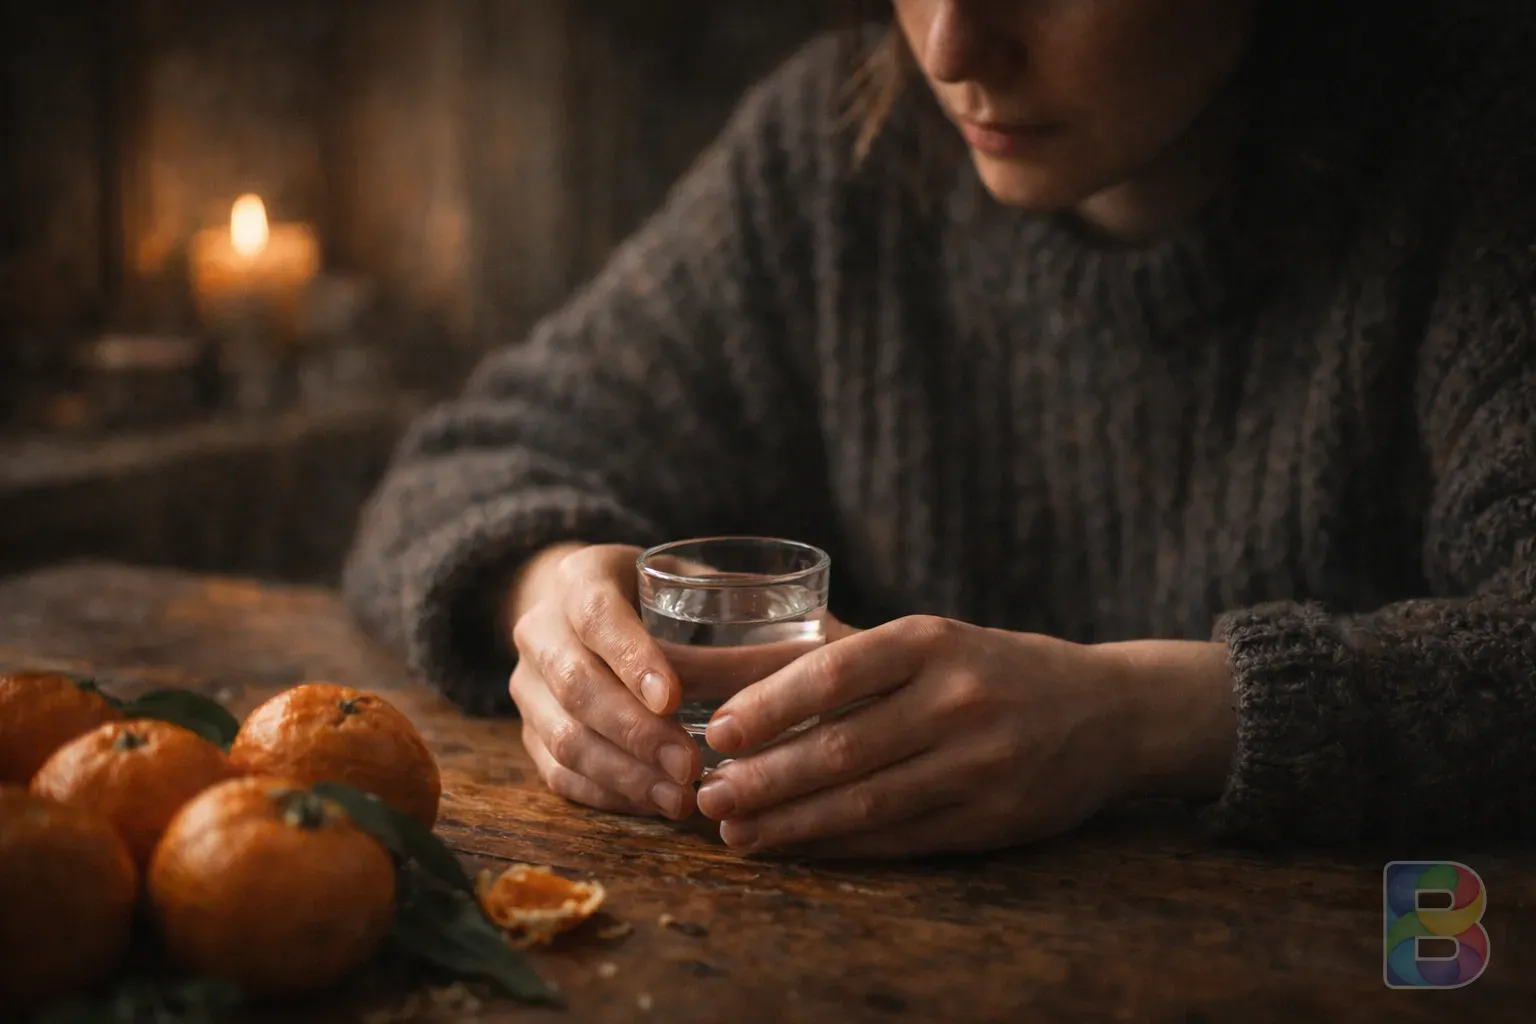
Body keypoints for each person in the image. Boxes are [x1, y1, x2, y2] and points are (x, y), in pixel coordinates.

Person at [343, 0, 1536, 858]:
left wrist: (1136, 721)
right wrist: (548, 595)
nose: (953, 47)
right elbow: (459, 466)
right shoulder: (837, 152)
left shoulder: (1481, 140)